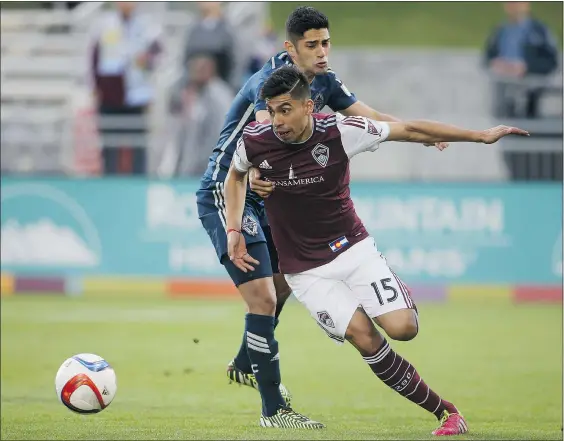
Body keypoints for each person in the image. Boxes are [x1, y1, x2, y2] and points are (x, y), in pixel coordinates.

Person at [225, 65, 528, 434]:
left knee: (403, 329)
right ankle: (446, 412)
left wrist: (480, 136)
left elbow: (410, 129)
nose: (276, 120)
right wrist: (234, 228)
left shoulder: (341, 131)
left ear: (309, 107)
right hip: (304, 271)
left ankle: (394, 297)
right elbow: (236, 174)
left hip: (353, 250)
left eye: (285, 109)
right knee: (363, 337)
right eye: (271, 110)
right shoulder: (255, 140)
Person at [196, 6, 451, 410]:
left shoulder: (324, 82)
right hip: (230, 185)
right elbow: (267, 144)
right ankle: (270, 405)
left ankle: (248, 360)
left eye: (325, 43)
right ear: (290, 49)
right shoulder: (273, 83)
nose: (322, 52)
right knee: (264, 295)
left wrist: (417, 134)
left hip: (273, 189)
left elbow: (373, 119)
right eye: (312, 45)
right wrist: (258, 180)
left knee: (282, 283)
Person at [484, 1, 559, 118]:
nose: (514, 6)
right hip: (503, 88)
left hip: (532, 88)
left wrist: (526, 67)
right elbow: (488, 57)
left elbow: (551, 62)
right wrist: (496, 64)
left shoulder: (539, 31)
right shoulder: (500, 30)